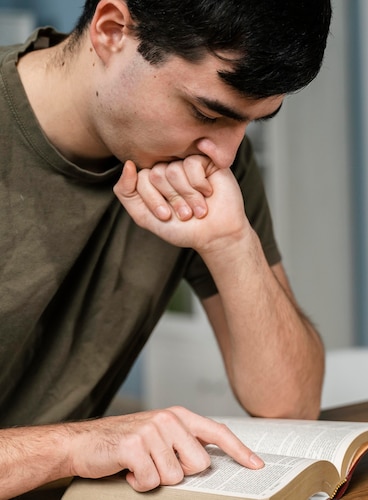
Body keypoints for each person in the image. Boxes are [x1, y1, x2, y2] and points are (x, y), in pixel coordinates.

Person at [0, 0, 332, 496]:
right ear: (112, 30)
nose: (225, 153)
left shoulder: (212, 161)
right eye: (205, 111)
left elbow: (291, 405)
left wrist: (230, 243)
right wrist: (71, 447)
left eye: (251, 124)